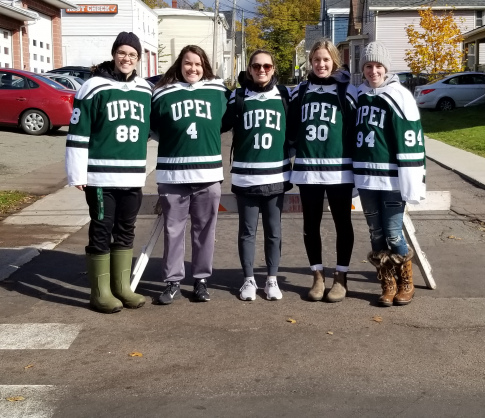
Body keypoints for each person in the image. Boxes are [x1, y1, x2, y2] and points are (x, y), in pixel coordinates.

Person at [65, 31, 151, 313]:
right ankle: (100, 292)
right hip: (101, 176)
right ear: (114, 54)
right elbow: (79, 132)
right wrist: (77, 173)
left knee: (126, 230)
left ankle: (122, 287)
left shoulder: (144, 89)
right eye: (123, 53)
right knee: (102, 229)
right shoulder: (92, 87)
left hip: (133, 175)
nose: (127, 59)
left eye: (132, 55)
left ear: (138, 59)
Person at [151, 45, 228, 305]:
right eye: (187, 63)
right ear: (179, 65)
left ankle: (201, 280)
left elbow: (225, 122)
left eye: (197, 64)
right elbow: (153, 127)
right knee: (173, 230)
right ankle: (173, 281)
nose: (192, 68)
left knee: (205, 230)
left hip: (208, 174)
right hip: (173, 174)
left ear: (204, 65)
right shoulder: (162, 93)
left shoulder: (217, 91)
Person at [351, 42, 426, 307]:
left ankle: (406, 280)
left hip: (392, 178)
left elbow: (410, 139)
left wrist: (412, 179)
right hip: (367, 178)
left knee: (393, 233)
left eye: (378, 66)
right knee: (376, 233)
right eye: (368, 66)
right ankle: (388, 282)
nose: (373, 71)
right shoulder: (358, 95)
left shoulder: (399, 96)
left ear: (386, 69)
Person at [288, 39, 355, 303]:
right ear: (310, 62)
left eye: (326, 59)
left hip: (338, 170)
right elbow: (290, 126)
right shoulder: (300, 91)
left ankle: (341, 276)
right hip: (308, 170)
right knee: (310, 224)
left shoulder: (347, 91)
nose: (321, 64)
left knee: (342, 223)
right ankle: (317, 274)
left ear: (334, 61)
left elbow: (354, 128)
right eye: (317, 59)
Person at [221, 50, 290, 301]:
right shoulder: (238, 96)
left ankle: (272, 279)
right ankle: (248, 279)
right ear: (249, 69)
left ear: (274, 69)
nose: (262, 70)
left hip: (276, 176)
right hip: (246, 176)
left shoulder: (284, 95)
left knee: (274, 231)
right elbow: (217, 124)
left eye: (267, 66)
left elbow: (294, 130)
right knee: (247, 231)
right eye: (257, 66)